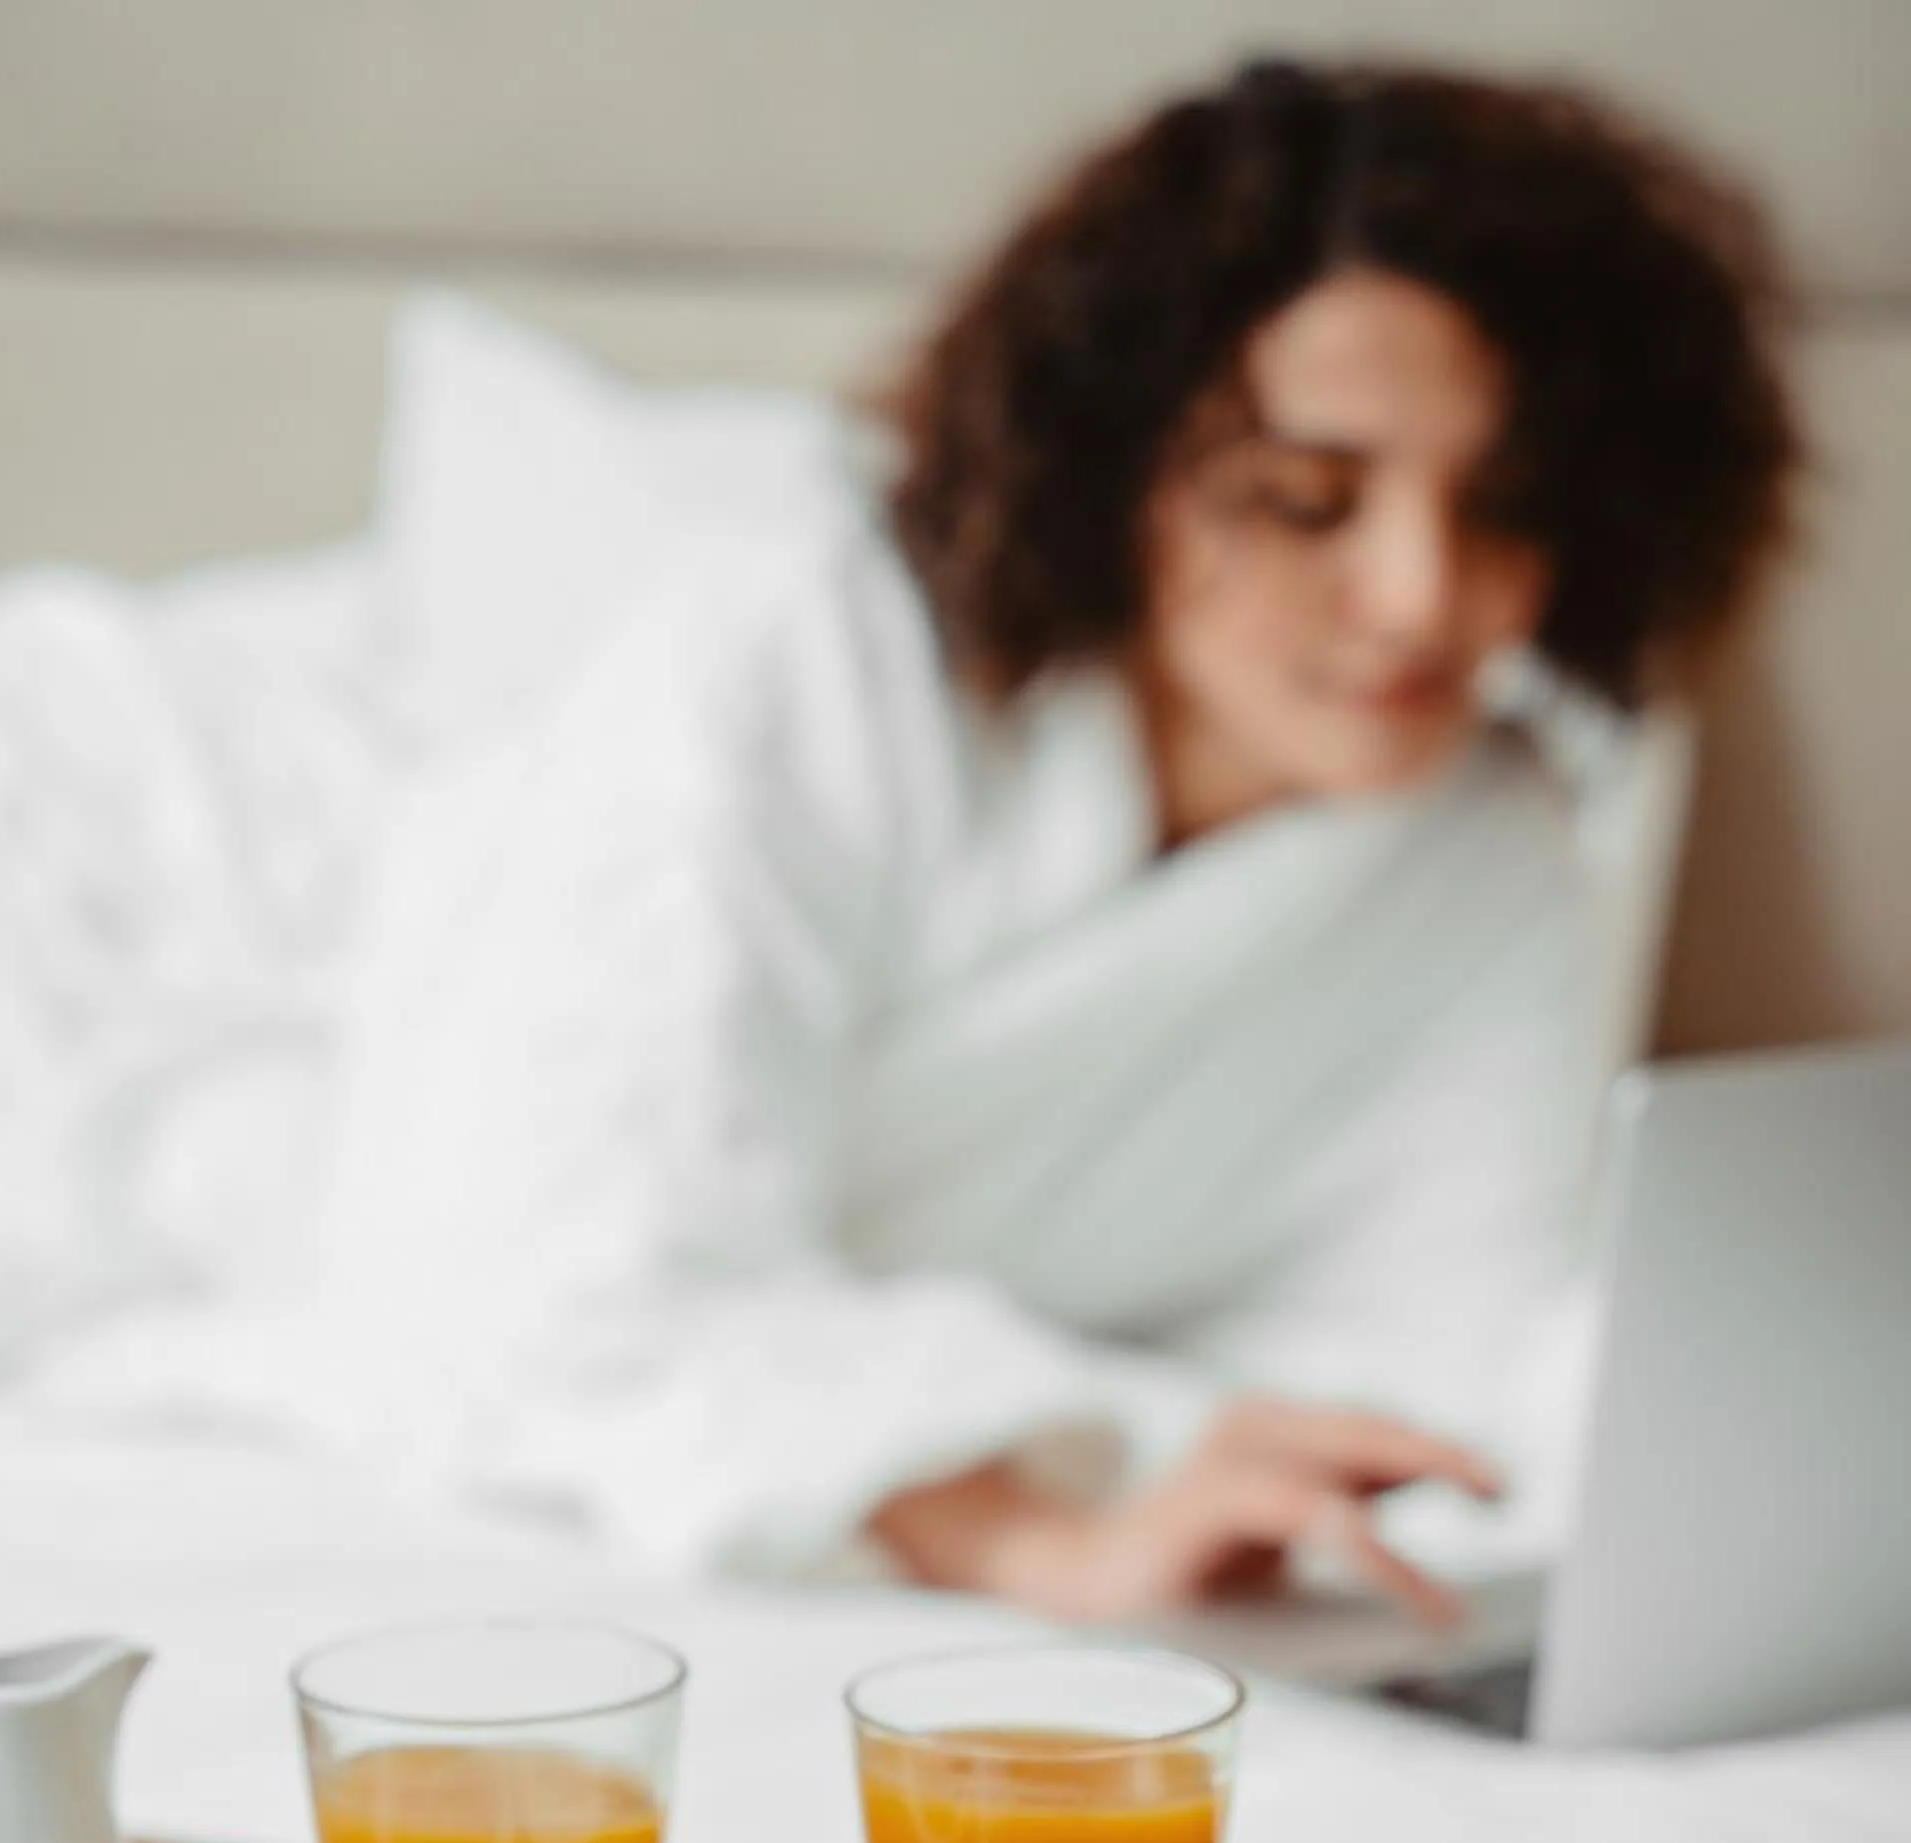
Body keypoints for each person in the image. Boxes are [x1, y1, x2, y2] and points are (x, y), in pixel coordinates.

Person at [301, 58, 1799, 1618]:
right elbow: (573, 1275)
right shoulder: (806, 660)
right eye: (1306, 499)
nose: (1426, 596)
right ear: (1122, 468)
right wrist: (1039, 1541)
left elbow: (1438, 1347)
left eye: (1506, 509)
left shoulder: (1491, 842)